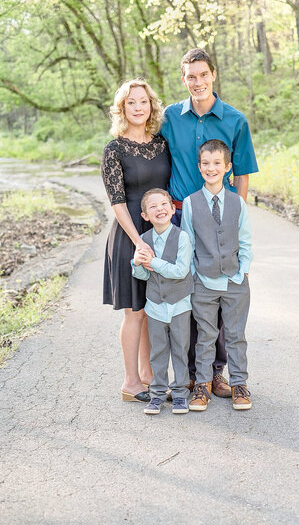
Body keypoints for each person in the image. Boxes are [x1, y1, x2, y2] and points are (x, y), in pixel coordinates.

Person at [161, 48, 258, 398]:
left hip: (219, 220)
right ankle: (189, 374)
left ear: (213, 74)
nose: (197, 82)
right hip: (178, 217)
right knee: (184, 297)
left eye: (203, 74)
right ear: (183, 79)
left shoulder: (235, 120)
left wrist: (233, 219)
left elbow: (243, 174)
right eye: (191, 76)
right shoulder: (170, 117)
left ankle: (215, 373)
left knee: (218, 295)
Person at [101, 79, 170, 403]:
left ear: (151, 106)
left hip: (159, 235)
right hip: (130, 238)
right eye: (132, 102)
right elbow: (117, 202)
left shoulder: (161, 144)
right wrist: (139, 242)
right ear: (122, 108)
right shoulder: (114, 149)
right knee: (134, 312)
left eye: (143, 101)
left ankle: (149, 376)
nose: (139, 107)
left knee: (151, 308)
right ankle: (131, 382)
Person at [181, 139, 253, 411]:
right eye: (206, 164)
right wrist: (193, 278)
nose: (211, 168)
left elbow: (245, 241)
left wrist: (243, 272)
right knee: (205, 336)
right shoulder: (190, 203)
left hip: (235, 282)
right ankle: (202, 386)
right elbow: (188, 244)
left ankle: (239, 384)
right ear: (199, 167)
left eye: (217, 164)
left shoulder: (237, 202)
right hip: (204, 281)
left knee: (236, 335)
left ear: (227, 167)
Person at [131, 188, 193, 415]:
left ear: (172, 207)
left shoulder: (182, 237)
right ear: (145, 215)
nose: (160, 209)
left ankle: (180, 394)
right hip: (155, 306)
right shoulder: (144, 241)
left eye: (163, 204)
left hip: (179, 305)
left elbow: (180, 271)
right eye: (153, 207)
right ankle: (157, 394)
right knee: (157, 352)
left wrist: (153, 262)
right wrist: (137, 264)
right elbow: (145, 276)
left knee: (180, 349)